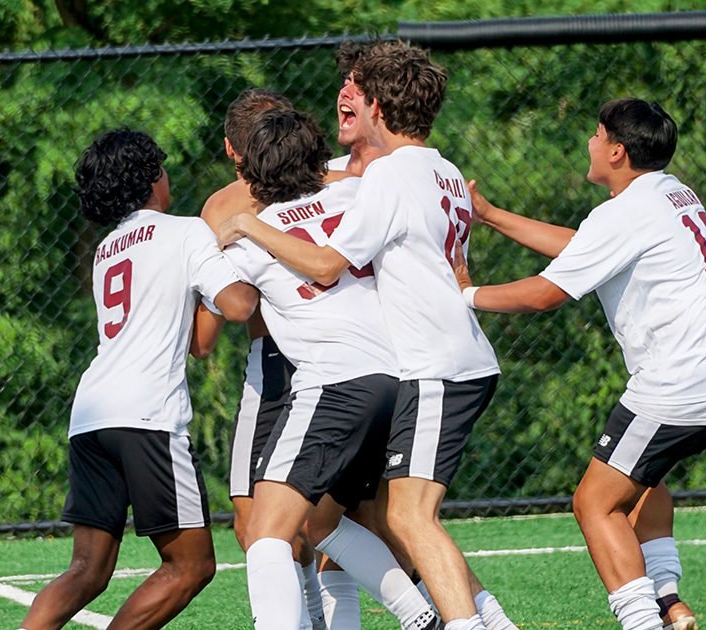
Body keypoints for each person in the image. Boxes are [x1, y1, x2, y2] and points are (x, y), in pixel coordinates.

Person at [220, 40, 510, 630]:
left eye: (357, 88)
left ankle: (475, 623)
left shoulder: (380, 179)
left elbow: (305, 274)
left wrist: (237, 226)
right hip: (411, 368)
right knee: (348, 520)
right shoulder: (432, 173)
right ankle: (428, 615)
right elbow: (454, 268)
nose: (346, 97)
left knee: (279, 526)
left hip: (400, 369)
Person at [458, 98, 706, 630]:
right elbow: (585, 249)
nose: (589, 143)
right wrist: (489, 216)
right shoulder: (672, 193)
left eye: (597, 135)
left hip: (683, 378)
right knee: (642, 476)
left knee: (593, 503)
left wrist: (466, 294)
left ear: (617, 151)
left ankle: (644, 621)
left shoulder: (624, 211)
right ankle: (669, 602)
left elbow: (544, 295)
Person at [21, 129, 257, 630]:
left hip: (90, 414)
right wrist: (247, 248)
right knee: (192, 566)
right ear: (153, 178)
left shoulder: (109, 247)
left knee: (85, 571)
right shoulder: (186, 231)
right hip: (147, 414)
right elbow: (238, 306)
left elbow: (196, 340)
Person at [221, 108, 440, 630]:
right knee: (321, 522)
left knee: (266, 532)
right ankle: (420, 616)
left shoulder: (255, 236)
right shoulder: (353, 195)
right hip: (399, 379)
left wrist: (213, 246)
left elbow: (233, 308)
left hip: (336, 382)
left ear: (252, 176)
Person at [192, 88, 324, 630]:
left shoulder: (225, 206)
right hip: (360, 354)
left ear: (231, 149)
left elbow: (203, 339)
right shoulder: (338, 183)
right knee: (341, 516)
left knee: (255, 524)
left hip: (278, 363)